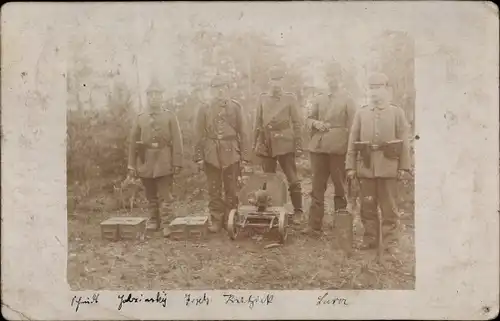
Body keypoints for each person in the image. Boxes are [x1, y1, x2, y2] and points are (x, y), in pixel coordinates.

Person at [345, 72, 411, 258]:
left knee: (389, 207)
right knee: (367, 206)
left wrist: (403, 167)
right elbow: (353, 140)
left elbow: (404, 141)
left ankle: (390, 242)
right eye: (372, 88)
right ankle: (370, 239)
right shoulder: (362, 112)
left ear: (387, 89)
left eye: (378, 88)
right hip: (366, 167)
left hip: (389, 166)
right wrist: (350, 166)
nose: (374, 92)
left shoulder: (396, 112)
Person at [194, 74, 251, 233]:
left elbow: (244, 133)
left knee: (231, 188)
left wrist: (245, 157)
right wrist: (199, 156)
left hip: (231, 152)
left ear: (228, 89)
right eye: (216, 88)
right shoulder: (204, 108)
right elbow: (198, 133)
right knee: (214, 188)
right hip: (211, 152)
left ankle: (230, 218)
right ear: (212, 90)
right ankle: (216, 219)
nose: (220, 92)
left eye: (223, 88)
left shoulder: (235, 108)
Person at [127, 77, 183, 233]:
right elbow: (132, 142)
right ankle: (153, 219)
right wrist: (131, 165)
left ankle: (167, 223)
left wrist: (177, 162)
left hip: (164, 159)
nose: (154, 97)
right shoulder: (140, 118)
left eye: (157, 94)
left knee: (165, 194)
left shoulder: (170, 116)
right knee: (150, 193)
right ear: (147, 97)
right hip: (145, 160)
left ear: (162, 97)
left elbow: (178, 140)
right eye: (151, 94)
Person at [304, 72, 357, 234]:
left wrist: (350, 151)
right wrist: (316, 123)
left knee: (340, 187)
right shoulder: (319, 98)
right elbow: (308, 119)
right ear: (326, 79)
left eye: (335, 76)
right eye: (329, 77)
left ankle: (341, 226)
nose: (332, 80)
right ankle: (314, 225)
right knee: (317, 187)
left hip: (339, 149)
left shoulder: (348, 99)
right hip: (318, 148)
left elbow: (354, 127)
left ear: (340, 78)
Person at [253, 67, 304, 222]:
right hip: (267, 143)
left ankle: (298, 210)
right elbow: (257, 123)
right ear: (269, 81)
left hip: (285, 142)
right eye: (273, 80)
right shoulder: (262, 99)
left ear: (283, 81)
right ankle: (266, 210)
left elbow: (297, 123)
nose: (276, 83)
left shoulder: (290, 99)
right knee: (267, 178)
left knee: (293, 179)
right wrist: (255, 143)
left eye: (279, 80)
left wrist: (298, 144)